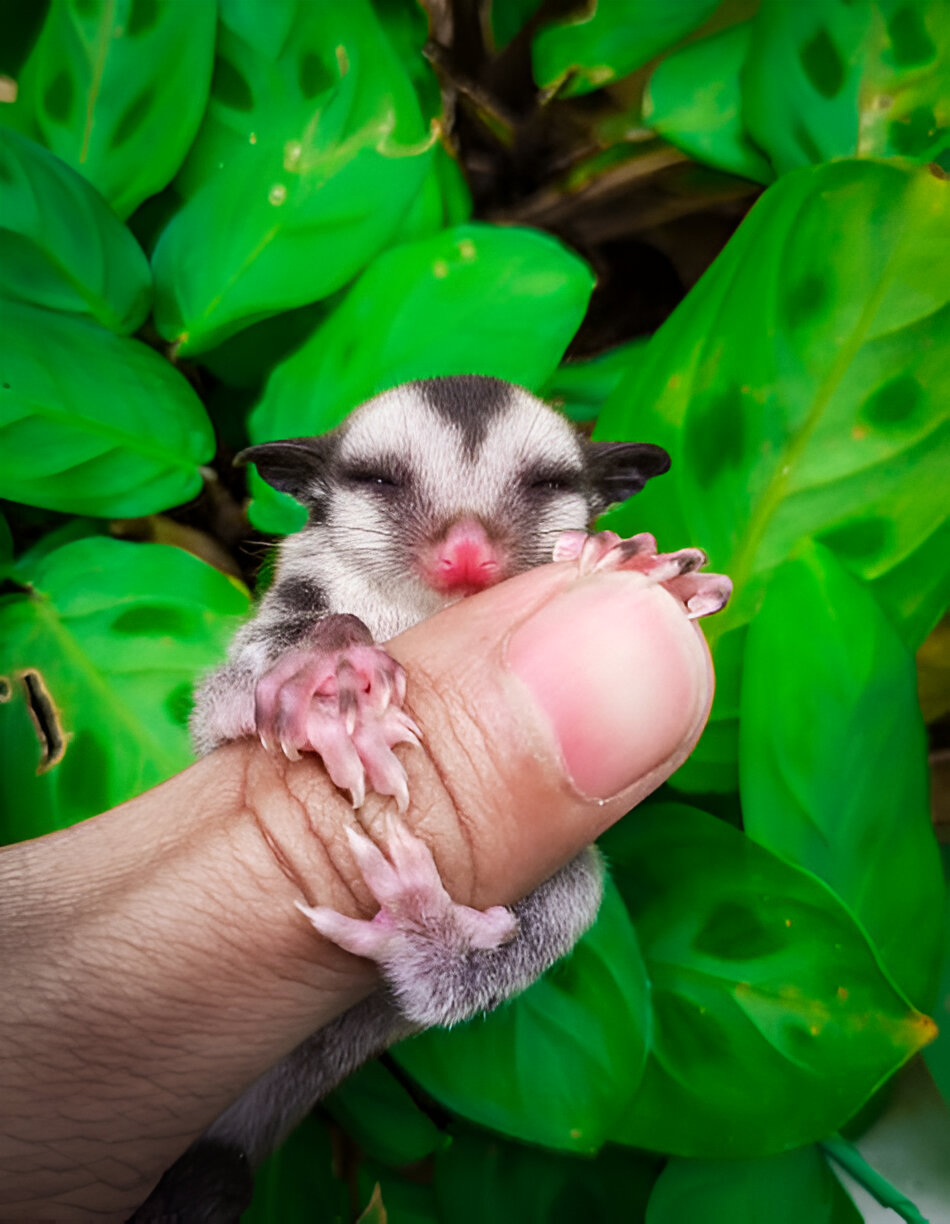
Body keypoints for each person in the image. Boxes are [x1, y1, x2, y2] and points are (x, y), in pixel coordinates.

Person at [0, 555, 715, 1220]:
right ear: (323, 495)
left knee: (573, 885)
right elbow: (219, 710)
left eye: (540, 490)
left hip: (215, 1139)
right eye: (386, 482)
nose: (465, 546)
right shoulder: (320, 590)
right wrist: (295, 684)